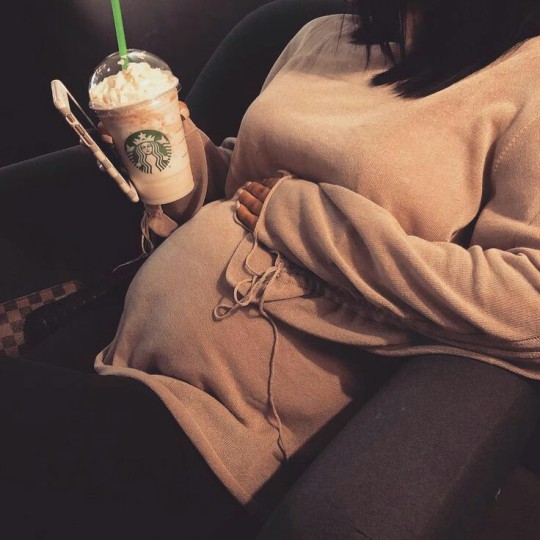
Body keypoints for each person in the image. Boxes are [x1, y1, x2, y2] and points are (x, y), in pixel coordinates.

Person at [2, 0, 540, 537]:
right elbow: (242, 190)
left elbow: (528, 301)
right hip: (128, 353)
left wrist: (304, 218)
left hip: (229, 430)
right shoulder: (322, 35)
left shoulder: (524, 77)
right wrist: (171, 148)